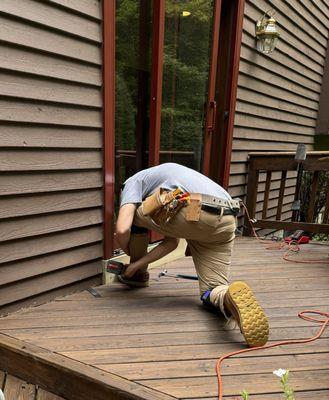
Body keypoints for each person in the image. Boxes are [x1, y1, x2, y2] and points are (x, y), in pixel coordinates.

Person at [115, 163, 269, 347]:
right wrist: (137, 264)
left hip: (195, 212)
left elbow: (123, 229)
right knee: (211, 289)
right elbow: (171, 243)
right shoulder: (170, 176)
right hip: (227, 219)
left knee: (134, 217)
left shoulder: (133, 181)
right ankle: (228, 297)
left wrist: (130, 257)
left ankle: (138, 277)